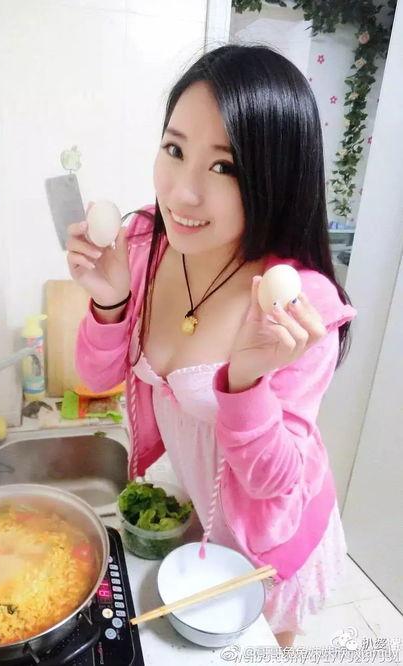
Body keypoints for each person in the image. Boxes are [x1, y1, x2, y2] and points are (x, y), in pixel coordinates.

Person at [68, 44, 357, 647]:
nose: (182, 193)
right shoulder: (147, 243)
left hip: (269, 540)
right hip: (200, 510)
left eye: (223, 167)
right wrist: (110, 302)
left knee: (261, 650)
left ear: (275, 177)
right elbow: (95, 379)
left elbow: (277, 481)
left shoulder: (296, 305)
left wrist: (246, 381)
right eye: (175, 150)